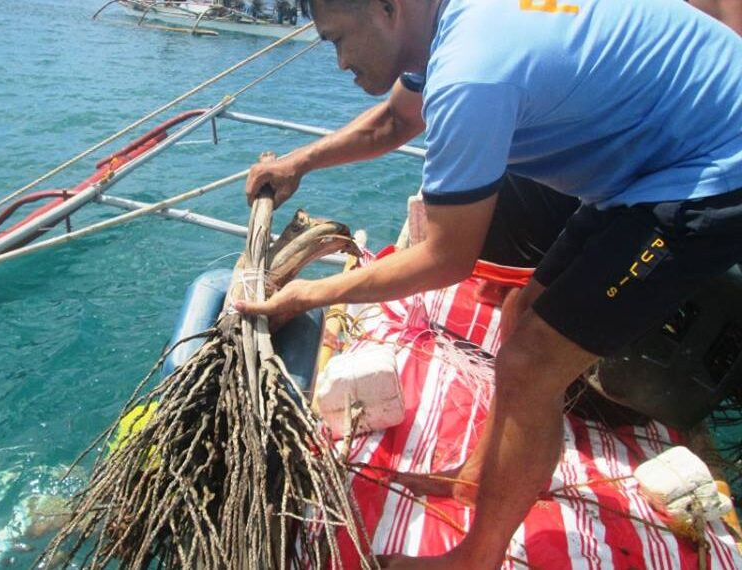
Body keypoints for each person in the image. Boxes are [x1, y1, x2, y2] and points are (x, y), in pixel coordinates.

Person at [235, 0, 742, 567]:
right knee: (522, 311)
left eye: (337, 40)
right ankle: (480, 478)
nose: (340, 62)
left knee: (529, 366)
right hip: (651, 164)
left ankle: (476, 556)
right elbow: (396, 120)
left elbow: (445, 259)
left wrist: (312, 294)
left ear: (387, 9)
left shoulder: (470, 68)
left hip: (713, 172)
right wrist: (300, 162)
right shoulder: (452, 23)